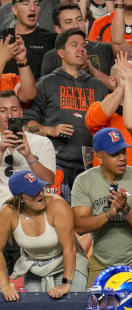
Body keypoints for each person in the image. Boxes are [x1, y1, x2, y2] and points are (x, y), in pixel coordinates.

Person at [24, 28, 109, 189]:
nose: (81, 49)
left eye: (83, 46)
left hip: (91, 166)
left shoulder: (98, 86)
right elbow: (27, 124)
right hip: (56, 164)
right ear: (61, 53)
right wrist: (51, 130)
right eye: (74, 45)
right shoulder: (46, 83)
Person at [73, 127, 132, 287]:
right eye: (114, 154)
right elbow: (80, 226)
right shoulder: (84, 181)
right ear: (99, 156)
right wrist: (109, 214)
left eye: (123, 152)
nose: (122, 158)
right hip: (101, 262)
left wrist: (125, 209)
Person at [0, 169, 86, 301]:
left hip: (67, 264)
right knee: (35, 308)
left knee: (68, 302)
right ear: (20, 198)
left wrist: (66, 284)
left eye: (40, 188)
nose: (40, 194)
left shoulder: (58, 205)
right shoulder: (8, 212)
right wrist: (5, 286)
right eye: (33, 192)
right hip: (35, 268)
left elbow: (69, 248)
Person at [0, 90, 55, 204]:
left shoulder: (43, 143)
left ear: (21, 112)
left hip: (32, 208)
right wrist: (0, 150)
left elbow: (49, 182)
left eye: (14, 109)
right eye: (3, 110)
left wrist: (29, 156)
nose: (9, 115)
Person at [41, 4, 114, 84]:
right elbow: (49, 90)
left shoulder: (105, 49)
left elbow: (116, 86)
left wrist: (93, 72)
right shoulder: (52, 56)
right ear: (58, 29)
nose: (76, 26)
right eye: (69, 22)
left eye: (79, 20)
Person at [4, 0, 55, 81]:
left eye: (37, 4)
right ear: (14, 10)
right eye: (26, 4)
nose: (32, 8)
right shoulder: (2, 38)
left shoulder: (52, 39)